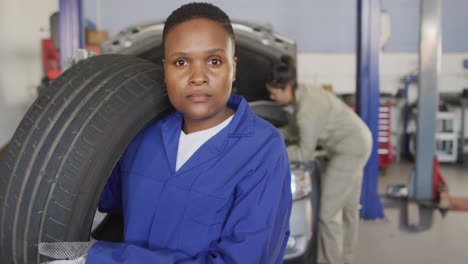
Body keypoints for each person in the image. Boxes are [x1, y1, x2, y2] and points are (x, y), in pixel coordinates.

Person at [39, 3, 292, 264]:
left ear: (234, 67)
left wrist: (98, 258)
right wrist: (76, 119)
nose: (198, 76)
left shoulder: (263, 150)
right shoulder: (142, 135)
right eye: (181, 62)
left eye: (214, 61)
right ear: (166, 69)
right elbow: (105, 195)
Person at [266, 57, 372, 264]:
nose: (272, 96)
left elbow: (304, 153)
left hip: (349, 150)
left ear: (287, 87)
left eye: (273, 92)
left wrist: (272, 153)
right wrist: (269, 135)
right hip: (360, 140)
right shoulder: (303, 94)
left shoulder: (306, 109)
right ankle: (346, 260)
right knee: (350, 209)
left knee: (327, 213)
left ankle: (336, 261)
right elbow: (292, 130)